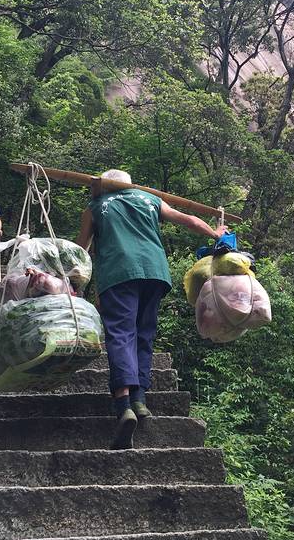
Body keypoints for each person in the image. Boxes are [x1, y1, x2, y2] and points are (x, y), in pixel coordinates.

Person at [76, 169, 228, 449]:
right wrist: (215, 233)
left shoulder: (96, 206)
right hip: (155, 272)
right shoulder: (150, 199)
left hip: (119, 273)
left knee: (121, 334)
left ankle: (124, 403)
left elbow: (80, 251)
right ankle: (140, 399)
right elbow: (189, 219)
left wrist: (70, 278)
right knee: (143, 334)